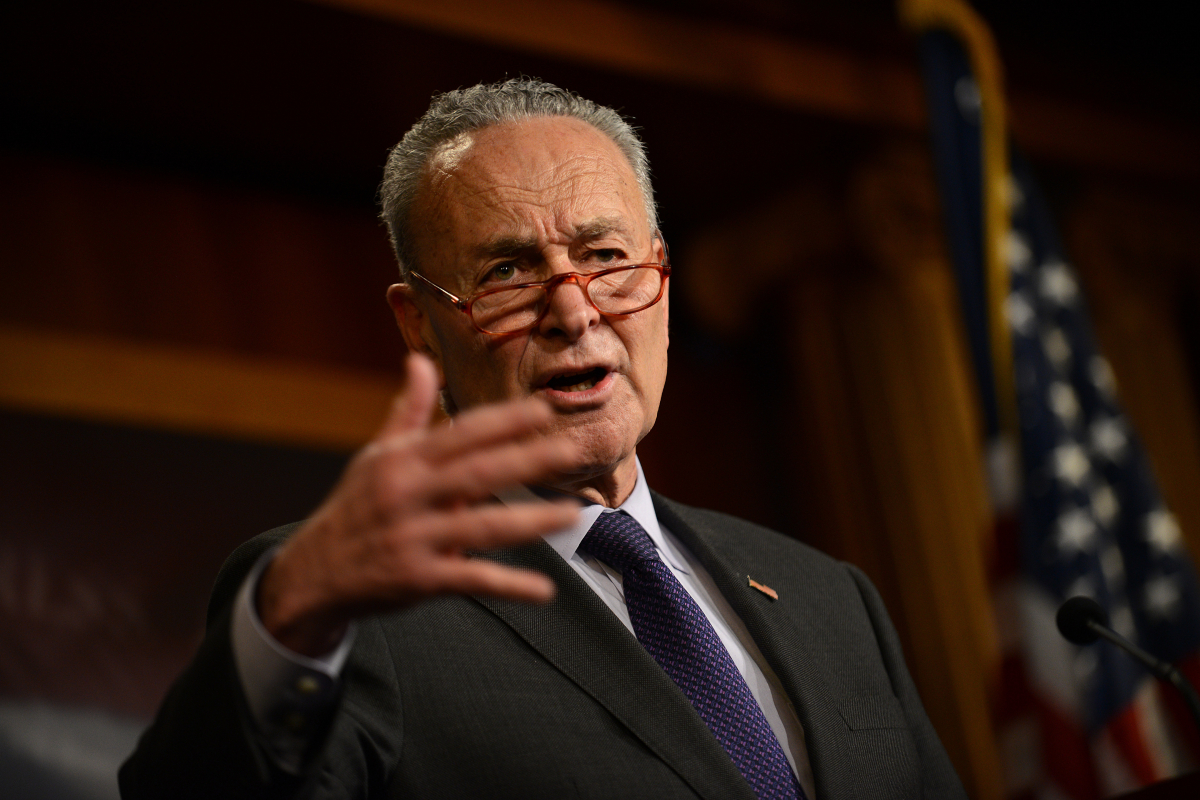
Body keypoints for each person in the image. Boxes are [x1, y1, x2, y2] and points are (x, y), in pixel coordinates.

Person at [120, 79, 966, 800]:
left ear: (662, 281)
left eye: (605, 255)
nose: (574, 309)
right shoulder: (345, 608)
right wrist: (292, 619)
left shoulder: (830, 597)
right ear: (419, 325)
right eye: (507, 274)